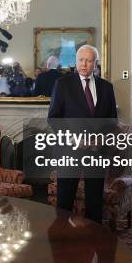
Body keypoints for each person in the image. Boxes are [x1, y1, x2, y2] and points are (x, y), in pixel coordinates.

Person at [48, 45, 117, 224]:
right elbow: (54, 118)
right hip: (69, 151)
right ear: (76, 61)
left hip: (97, 151)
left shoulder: (106, 87)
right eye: (81, 60)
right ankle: (62, 241)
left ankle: (93, 244)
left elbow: (112, 121)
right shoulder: (63, 84)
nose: (84, 64)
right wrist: (73, 138)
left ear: (96, 63)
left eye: (89, 60)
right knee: (64, 201)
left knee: (95, 201)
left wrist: (102, 138)